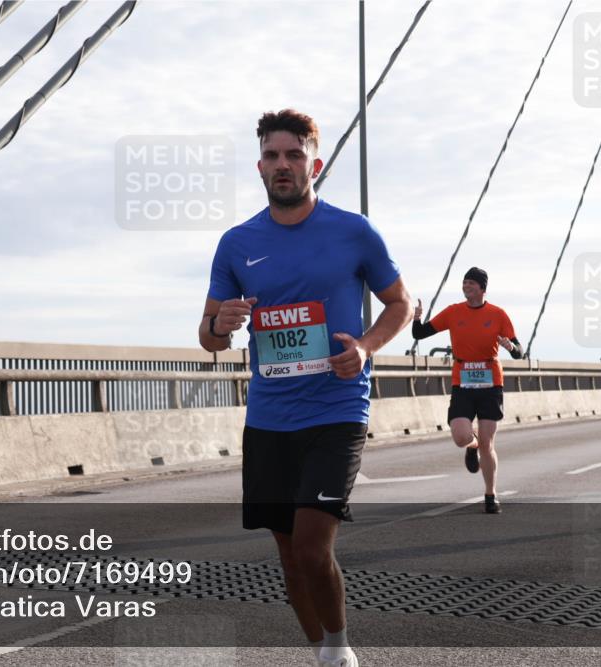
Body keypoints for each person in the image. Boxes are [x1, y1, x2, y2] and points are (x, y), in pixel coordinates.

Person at [199, 109, 411, 667]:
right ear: (260, 167)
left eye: (294, 155)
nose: (283, 165)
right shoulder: (237, 242)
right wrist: (221, 327)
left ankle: (341, 651)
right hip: (268, 418)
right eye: (272, 156)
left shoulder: (353, 231)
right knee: (289, 556)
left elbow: (400, 304)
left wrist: (364, 347)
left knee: (315, 550)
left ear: (314, 163)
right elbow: (208, 336)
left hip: (337, 410)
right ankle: (320, 654)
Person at [411, 267, 523, 514]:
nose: (466, 286)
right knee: (461, 436)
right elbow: (419, 333)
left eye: (471, 283)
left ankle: (491, 495)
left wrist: (510, 347)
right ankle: (471, 447)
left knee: (488, 443)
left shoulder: (498, 314)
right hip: (462, 381)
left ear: (483, 288)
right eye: (464, 283)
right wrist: (416, 317)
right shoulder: (453, 312)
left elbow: (519, 350)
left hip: (491, 382)